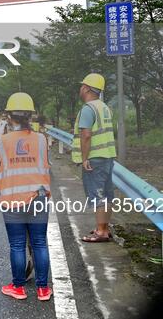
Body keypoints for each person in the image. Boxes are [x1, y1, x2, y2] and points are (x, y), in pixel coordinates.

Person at [0, 92, 52, 301]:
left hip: (13, 199)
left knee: (17, 245)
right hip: (38, 197)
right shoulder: (42, 139)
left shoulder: (2, 141)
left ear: (9, 118)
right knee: (39, 243)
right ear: (30, 116)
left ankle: (18, 288)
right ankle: (43, 289)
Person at [72, 73, 117, 243]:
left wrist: (84, 159)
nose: (80, 88)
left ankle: (100, 232)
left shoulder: (88, 109)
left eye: (82, 86)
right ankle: (104, 228)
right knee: (106, 194)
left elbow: (86, 135)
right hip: (107, 157)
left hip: (94, 159)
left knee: (97, 195)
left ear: (87, 88)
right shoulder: (104, 107)